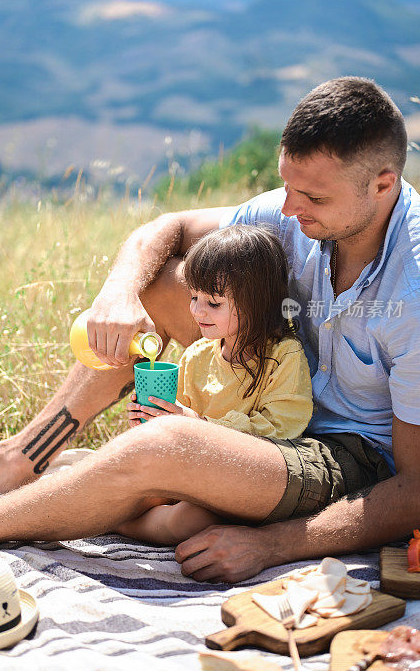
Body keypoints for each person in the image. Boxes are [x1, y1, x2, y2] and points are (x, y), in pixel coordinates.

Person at [0, 77, 420, 584]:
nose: (288, 209)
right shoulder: (295, 211)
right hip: (267, 394)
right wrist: (117, 295)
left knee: (166, 444)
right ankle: (18, 458)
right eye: (286, 185)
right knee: (163, 283)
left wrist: (274, 544)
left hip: (349, 457)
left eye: (314, 199)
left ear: (383, 184)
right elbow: (171, 228)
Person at [116, 224, 313, 544]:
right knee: (133, 483)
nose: (196, 310)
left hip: (240, 476)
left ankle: (122, 526)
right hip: (189, 470)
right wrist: (150, 419)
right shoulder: (197, 356)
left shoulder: (283, 356)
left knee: (190, 519)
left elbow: (282, 428)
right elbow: (179, 417)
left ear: (257, 302)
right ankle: (116, 509)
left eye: (214, 302)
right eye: (194, 297)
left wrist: (200, 426)